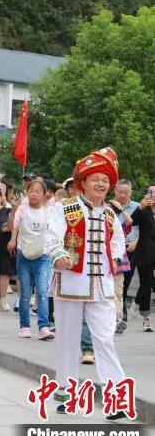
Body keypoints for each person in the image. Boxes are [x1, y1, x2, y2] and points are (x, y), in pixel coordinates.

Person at [46, 147, 129, 420]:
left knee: (105, 340)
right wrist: (59, 256)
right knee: (68, 342)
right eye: (96, 179)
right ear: (83, 182)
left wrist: (116, 259)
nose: (101, 184)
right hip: (70, 284)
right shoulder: (65, 208)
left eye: (105, 180)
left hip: (102, 287)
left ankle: (116, 399)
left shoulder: (109, 215)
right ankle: (66, 396)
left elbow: (117, 243)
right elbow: (53, 238)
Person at [8, 180, 54, 340]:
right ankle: (25, 326)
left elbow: (52, 232)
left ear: (44, 195)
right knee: (25, 293)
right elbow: (14, 225)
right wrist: (13, 240)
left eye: (38, 191)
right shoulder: (22, 209)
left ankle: (44, 326)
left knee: (42, 291)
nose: (34, 194)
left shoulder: (48, 212)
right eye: (31, 190)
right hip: (24, 254)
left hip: (42, 256)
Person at [113, 179, 140, 329]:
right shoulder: (108, 205)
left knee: (125, 282)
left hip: (131, 247)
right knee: (118, 284)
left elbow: (141, 227)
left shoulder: (137, 207)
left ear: (131, 192)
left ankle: (119, 314)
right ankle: (120, 314)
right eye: (120, 192)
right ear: (115, 191)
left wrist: (136, 242)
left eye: (126, 192)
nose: (122, 195)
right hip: (114, 249)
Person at [130, 185, 155, 331]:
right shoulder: (143, 211)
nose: (153, 195)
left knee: (151, 284)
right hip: (145, 253)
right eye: (150, 193)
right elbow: (132, 221)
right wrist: (140, 206)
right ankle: (146, 318)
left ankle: (137, 302)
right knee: (146, 286)